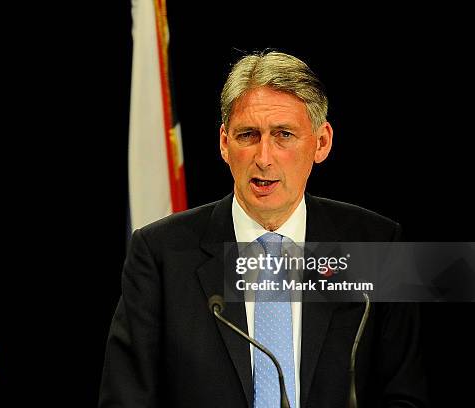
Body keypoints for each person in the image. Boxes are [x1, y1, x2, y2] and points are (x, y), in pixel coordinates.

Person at [99, 51, 427, 407]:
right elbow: (125, 398)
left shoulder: (376, 245)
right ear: (224, 143)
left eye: (284, 134)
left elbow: (404, 394)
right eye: (248, 135)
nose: (264, 157)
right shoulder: (161, 253)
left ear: (321, 142)